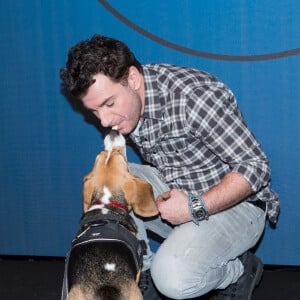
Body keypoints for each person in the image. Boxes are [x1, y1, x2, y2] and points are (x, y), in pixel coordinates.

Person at [60, 34, 279, 300]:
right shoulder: (129, 104)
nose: (105, 120)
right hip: (177, 192)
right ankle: (143, 273)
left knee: (173, 278)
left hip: (239, 207)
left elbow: (256, 166)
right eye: (94, 111)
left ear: (133, 79)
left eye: (109, 104)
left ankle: (238, 271)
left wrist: (195, 206)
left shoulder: (193, 98)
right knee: (110, 183)